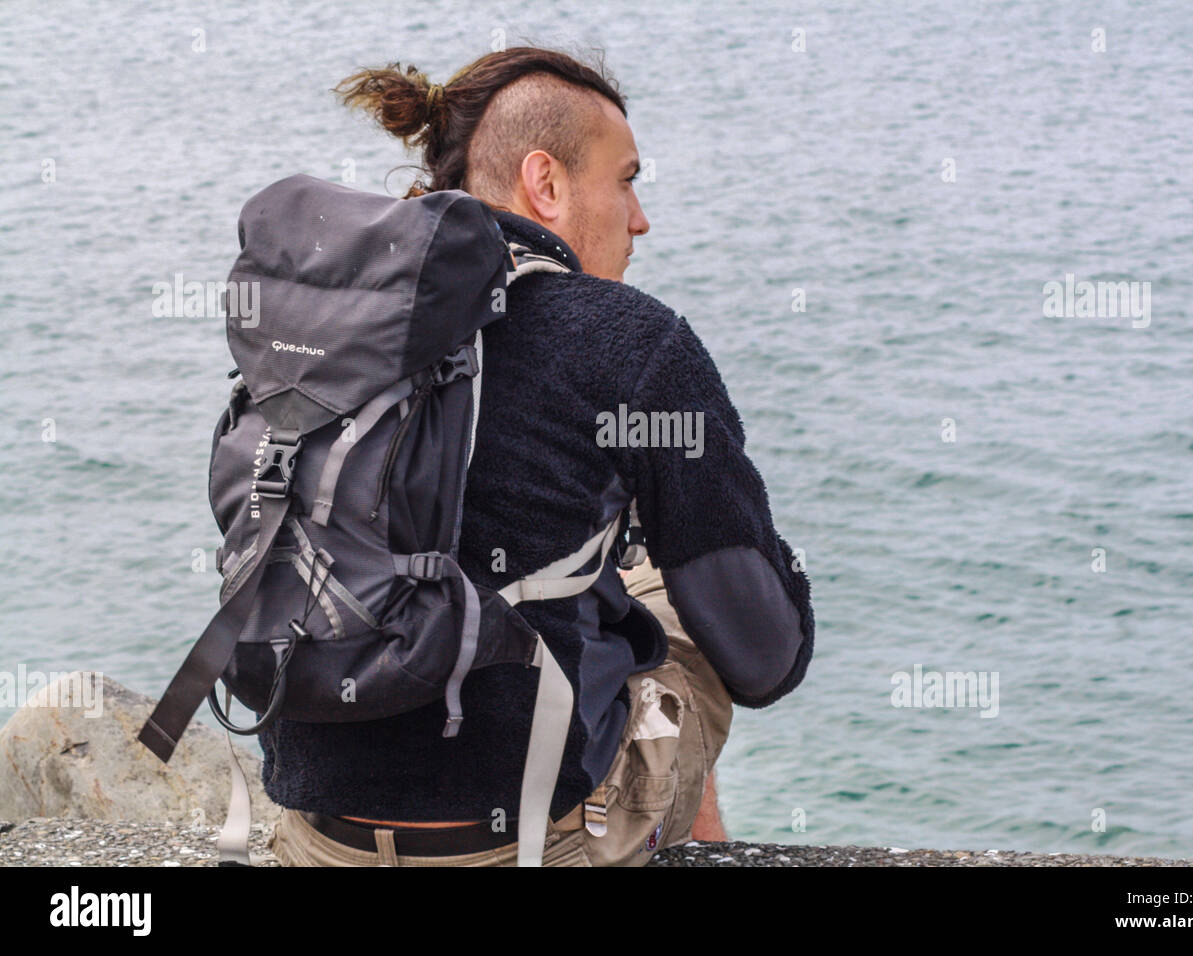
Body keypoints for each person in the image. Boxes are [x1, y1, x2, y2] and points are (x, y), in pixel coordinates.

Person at [266, 46, 814, 866]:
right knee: (664, 607)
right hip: (523, 845)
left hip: (318, 838)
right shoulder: (633, 340)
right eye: (626, 180)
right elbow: (762, 658)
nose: (640, 219)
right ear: (545, 183)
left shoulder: (324, 316)